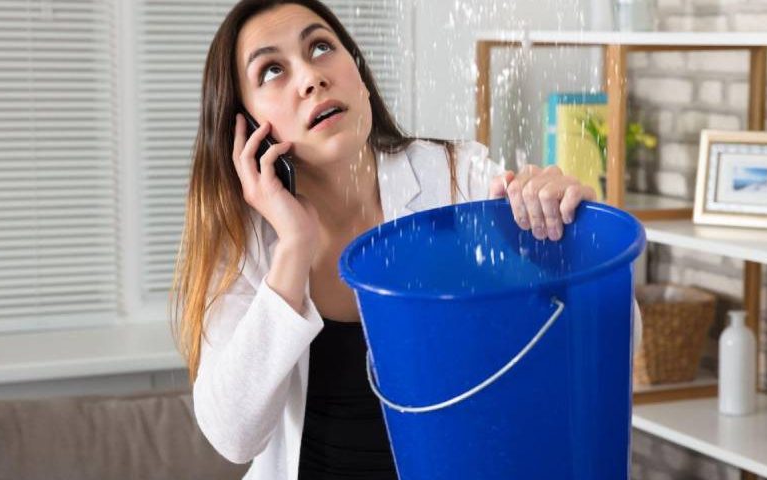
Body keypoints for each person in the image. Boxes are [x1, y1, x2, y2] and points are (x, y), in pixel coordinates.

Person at [171, 1, 625, 479]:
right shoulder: (244, 242)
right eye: (271, 71)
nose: (310, 77)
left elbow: (612, 342)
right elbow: (233, 437)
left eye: (321, 47)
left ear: (359, 74)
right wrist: (293, 249)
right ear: (247, 127)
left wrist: (572, 239)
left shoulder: (461, 181)